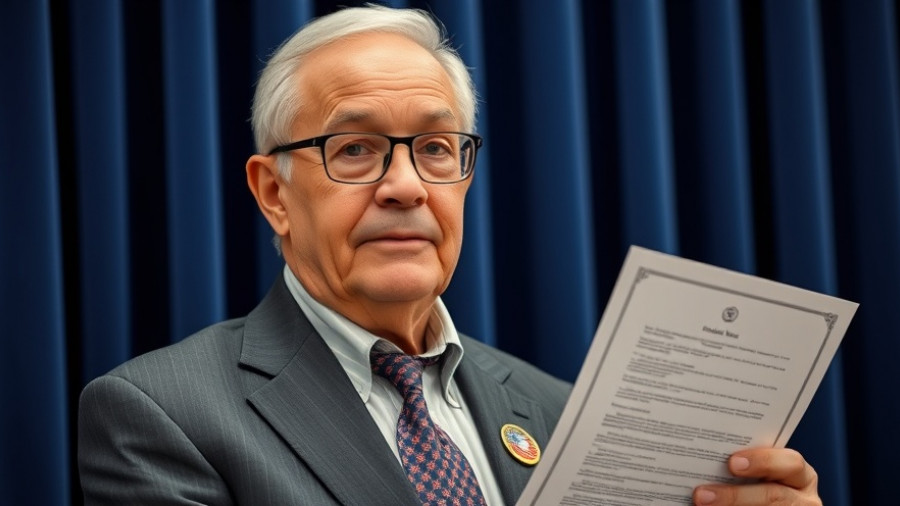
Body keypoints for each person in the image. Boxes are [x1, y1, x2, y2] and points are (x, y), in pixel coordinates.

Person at [78, 5, 821, 506]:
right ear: (274, 192)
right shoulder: (159, 415)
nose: (406, 186)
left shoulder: (563, 413)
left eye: (436, 149)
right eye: (356, 148)